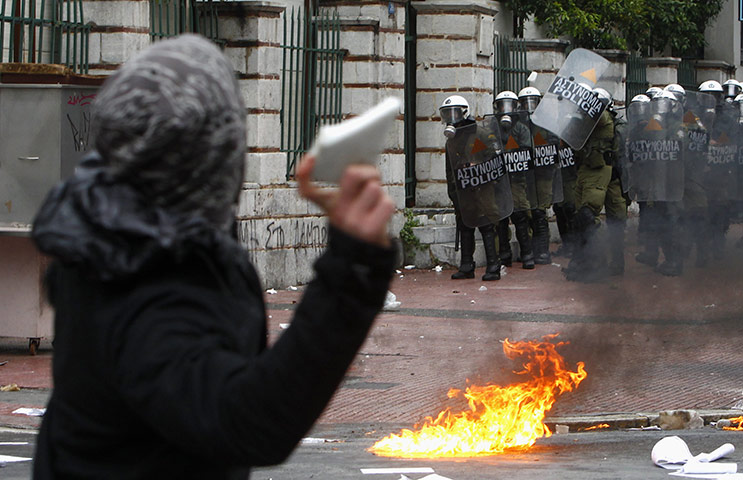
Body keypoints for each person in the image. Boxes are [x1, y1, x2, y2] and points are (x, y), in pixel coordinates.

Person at [30, 34, 397, 478]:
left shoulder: (112, 223)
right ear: (218, 157)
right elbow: (248, 422)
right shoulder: (143, 286)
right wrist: (352, 270)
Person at [440, 95, 501, 281]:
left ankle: (493, 266)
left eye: (454, 113)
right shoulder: (451, 140)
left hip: (482, 189)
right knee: (465, 225)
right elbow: (450, 170)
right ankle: (467, 265)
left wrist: (478, 165)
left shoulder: (480, 134)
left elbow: (495, 159)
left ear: (464, 113)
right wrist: (453, 194)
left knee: (486, 225)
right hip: (463, 191)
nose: (451, 118)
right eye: (447, 114)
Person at [519, 86, 560, 265]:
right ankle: (529, 250)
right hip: (526, 174)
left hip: (543, 174)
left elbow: (554, 146)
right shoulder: (518, 124)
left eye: (533, 101)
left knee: (539, 211)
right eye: (526, 102)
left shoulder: (547, 123)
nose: (530, 106)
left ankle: (542, 250)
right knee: (527, 211)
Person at [495, 90, 535, 269]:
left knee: (520, 216)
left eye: (509, 105)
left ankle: (527, 254)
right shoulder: (492, 128)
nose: (506, 109)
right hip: (499, 181)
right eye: (502, 105)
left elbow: (527, 153)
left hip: (516, 180)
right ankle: (504, 254)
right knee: (501, 218)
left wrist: (510, 155)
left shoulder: (521, 129)